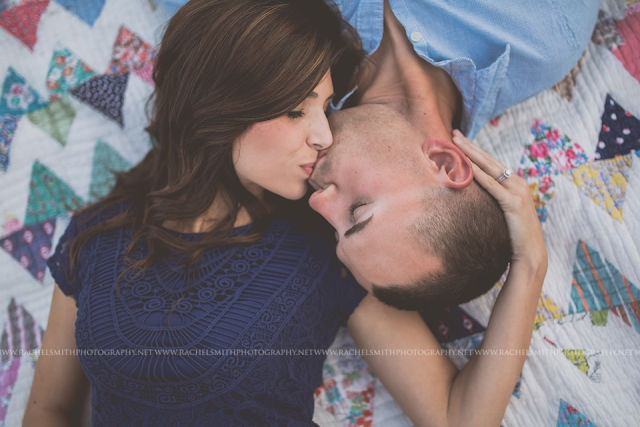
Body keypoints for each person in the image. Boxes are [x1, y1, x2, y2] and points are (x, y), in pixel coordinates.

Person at [23, 1, 548, 427]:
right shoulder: (96, 234)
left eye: (325, 106)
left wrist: (529, 267)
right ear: (221, 105)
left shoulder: (333, 250)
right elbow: (47, 410)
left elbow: (458, 420)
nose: (324, 134)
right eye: (300, 108)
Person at [308, 0, 599, 311]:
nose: (317, 201)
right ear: (444, 163)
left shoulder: (293, 88)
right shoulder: (541, 38)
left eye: (336, 233)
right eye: (357, 211)